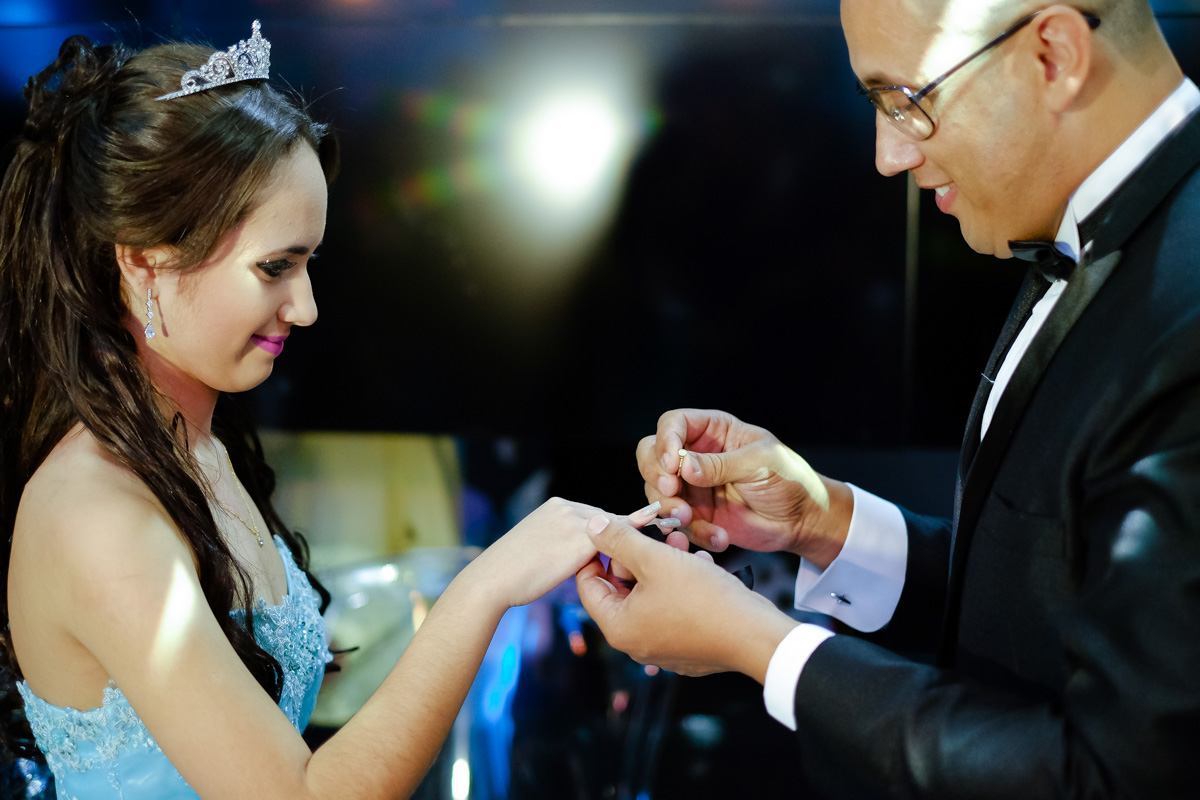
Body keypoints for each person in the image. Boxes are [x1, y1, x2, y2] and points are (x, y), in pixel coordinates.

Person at [0, 22, 649, 799]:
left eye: (308, 263)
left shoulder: (199, 450)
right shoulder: (97, 516)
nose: (305, 308)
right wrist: (485, 587)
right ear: (144, 261)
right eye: (274, 267)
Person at [576, 0, 1200, 796]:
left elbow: (1120, 775)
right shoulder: (1104, 236)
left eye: (906, 99)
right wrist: (822, 521)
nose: (888, 155)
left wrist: (761, 646)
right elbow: (1055, 598)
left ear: (1053, 54)